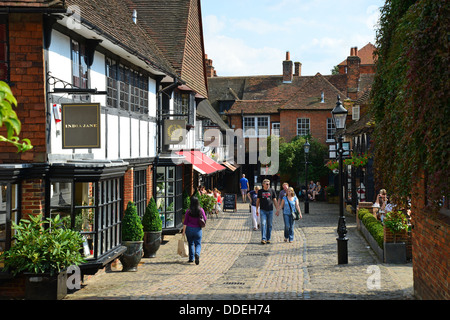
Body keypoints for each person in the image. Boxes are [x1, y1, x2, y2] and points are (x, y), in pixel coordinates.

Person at [182, 196, 207, 265]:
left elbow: (185, 222)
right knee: (198, 244)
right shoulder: (201, 210)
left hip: (189, 229)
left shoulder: (188, 211)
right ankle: (197, 253)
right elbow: (205, 218)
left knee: (190, 244)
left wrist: (183, 231)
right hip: (198, 230)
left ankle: (191, 258)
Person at [256, 179, 278, 244]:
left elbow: (274, 200)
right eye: (266, 184)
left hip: (270, 210)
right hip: (263, 210)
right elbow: (258, 201)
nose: (268, 185)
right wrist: (257, 209)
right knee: (263, 224)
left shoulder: (272, 191)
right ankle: (263, 238)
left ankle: (268, 238)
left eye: (269, 184)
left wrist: (277, 209)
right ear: (263, 185)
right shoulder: (260, 191)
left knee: (270, 225)